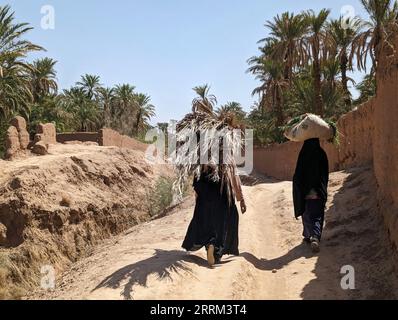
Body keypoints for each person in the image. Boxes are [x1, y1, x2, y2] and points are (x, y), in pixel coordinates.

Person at [182, 164, 247, 266]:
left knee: (205, 219)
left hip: (205, 187)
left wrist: (198, 197)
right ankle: (216, 252)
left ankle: (209, 244)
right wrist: (241, 198)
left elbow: (197, 177)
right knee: (223, 221)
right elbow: (234, 175)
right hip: (222, 188)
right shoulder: (225, 155)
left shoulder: (202, 157)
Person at [293, 138, 329, 253]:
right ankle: (315, 236)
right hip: (318, 190)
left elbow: (298, 175)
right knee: (317, 214)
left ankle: (309, 235)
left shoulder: (303, 154)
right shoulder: (321, 153)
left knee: (307, 214)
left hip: (305, 192)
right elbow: (325, 173)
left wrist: (298, 191)